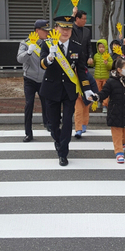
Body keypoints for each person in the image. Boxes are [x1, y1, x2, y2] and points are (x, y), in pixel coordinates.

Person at [39, 16, 92, 166]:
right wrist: (50, 56)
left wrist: (86, 89)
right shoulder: (48, 44)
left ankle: (63, 152)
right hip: (51, 89)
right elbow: (42, 65)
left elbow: (81, 70)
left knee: (68, 122)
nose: (66, 31)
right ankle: (57, 140)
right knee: (54, 124)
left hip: (69, 90)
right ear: (56, 29)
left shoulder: (77, 46)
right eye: (62, 28)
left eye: (68, 28)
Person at [17, 20, 51, 142]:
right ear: (37, 31)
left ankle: (48, 125)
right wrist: (29, 52)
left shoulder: (48, 43)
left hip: (43, 79)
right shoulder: (25, 43)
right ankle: (28, 133)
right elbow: (19, 59)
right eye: (44, 30)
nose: (47, 33)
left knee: (46, 104)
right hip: (30, 79)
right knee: (29, 104)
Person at [74, 69, 100, 138]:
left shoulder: (87, 75)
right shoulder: (71, 75)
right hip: (77, 96)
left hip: (87, 96)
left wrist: (95, 95)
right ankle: (78, 129)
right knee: (78, 111)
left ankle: (84, 124)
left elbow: (93, 84)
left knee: (85, 111)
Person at [93, 38, 113, 113]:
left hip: (105, 77)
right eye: (100, 47)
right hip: (97, 77)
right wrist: (90, 63)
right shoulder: (95, 56)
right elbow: (93, 65)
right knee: (97, 90)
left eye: (103, 47)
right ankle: (98, 102)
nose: (101, 49)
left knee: (105, 92)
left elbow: (111, 66)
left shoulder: (108, 56)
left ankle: (105, 105)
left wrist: (107, 64)